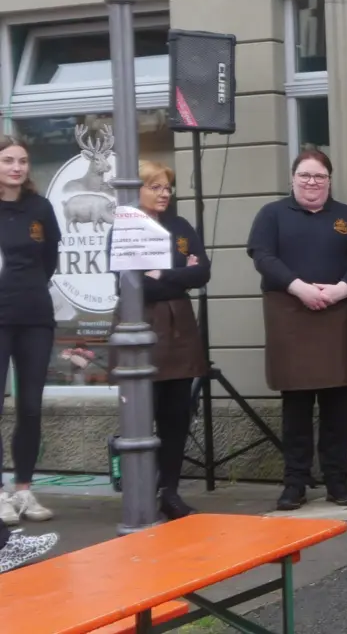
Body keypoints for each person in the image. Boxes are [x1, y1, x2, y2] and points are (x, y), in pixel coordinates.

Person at [247, 149, 347, 511]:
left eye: (319, 176)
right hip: (292, 316)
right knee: (297, 408)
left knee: (337, 407)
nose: (312, 182)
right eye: (305, 175)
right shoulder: (271, 215)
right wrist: (298, 286)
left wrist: (342, 289)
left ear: (329, 181)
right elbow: (262, 256)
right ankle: (295, 483)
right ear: (292, 179)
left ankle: (337, 481)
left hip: (339, 316)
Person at [125, 161, 210, 521]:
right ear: (138, 189)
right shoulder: (127, 227)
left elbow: (202, 271)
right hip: (142, 323)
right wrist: (181, 274)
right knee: (145, 411)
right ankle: (142, 490)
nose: (164, 194)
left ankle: (170, 492)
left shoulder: (179, 226)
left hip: (180, 324)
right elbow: (131, 282)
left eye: (167, 187)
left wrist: (166, 273)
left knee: (176, 413)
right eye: (155, 187)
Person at [0, 136, 61, 528]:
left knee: (31, 408)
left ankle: (23, 490)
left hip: (35, 317)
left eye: (22, 161)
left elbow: (50, 258)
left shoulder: (41, 208)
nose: (16, 168)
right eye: (8, 161)